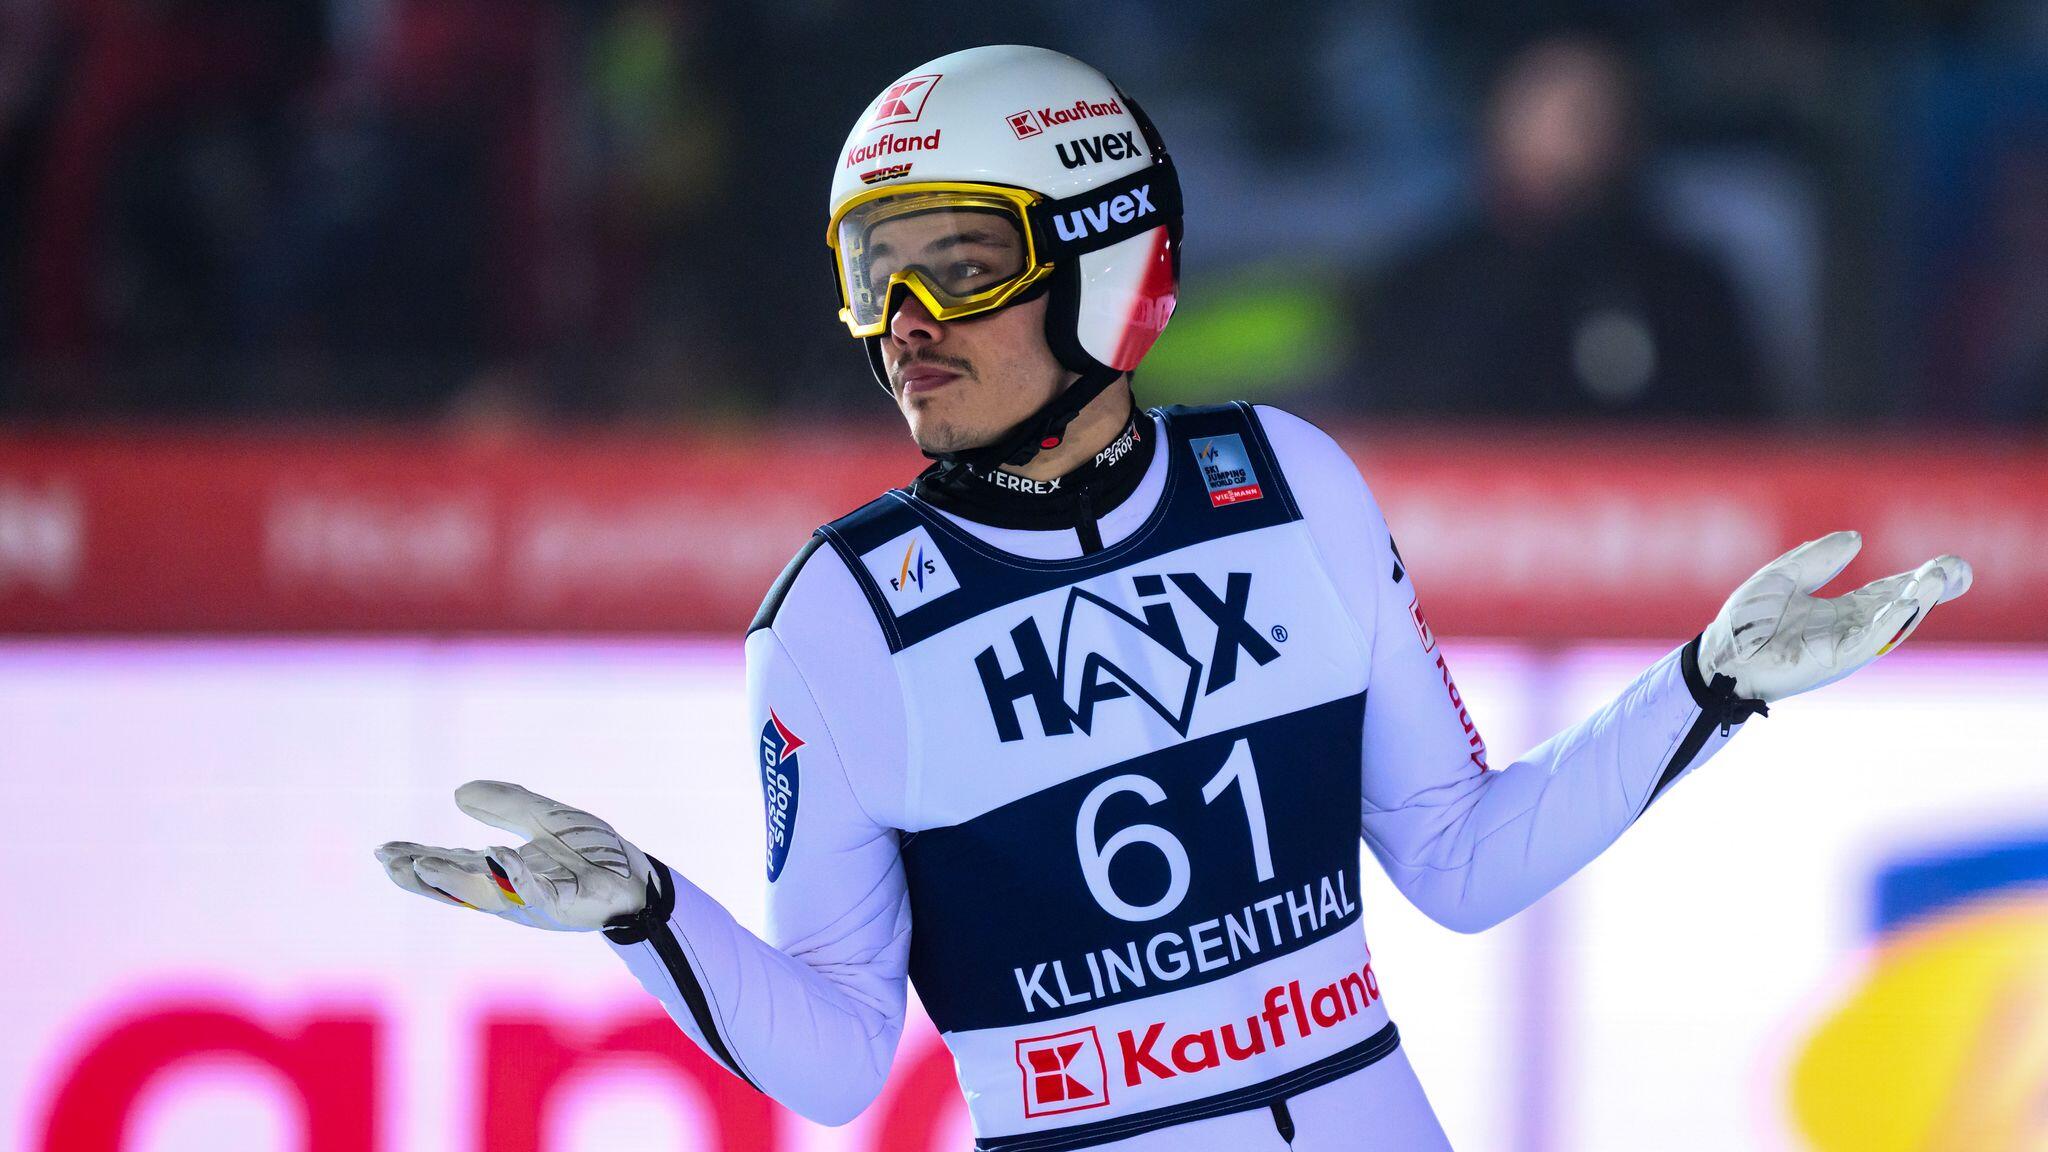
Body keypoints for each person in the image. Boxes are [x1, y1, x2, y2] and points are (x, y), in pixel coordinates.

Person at [375, 45, 1972, 1150]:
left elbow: (1462, 858)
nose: (905, 323)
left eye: (958, 265)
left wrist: (1707, 689)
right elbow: (844, 1057)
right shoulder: (836, 617)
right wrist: (651, 916)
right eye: (875, 274)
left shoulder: (1288, 483)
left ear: (1104, 260)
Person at [1356, 35, 1764, 420]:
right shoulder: (1426, 283)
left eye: (1591, 112)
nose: (1568, 136)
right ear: (1496, 117)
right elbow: (1398, 425)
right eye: (1544, 107)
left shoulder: (1687, 288)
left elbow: (1737, 433)